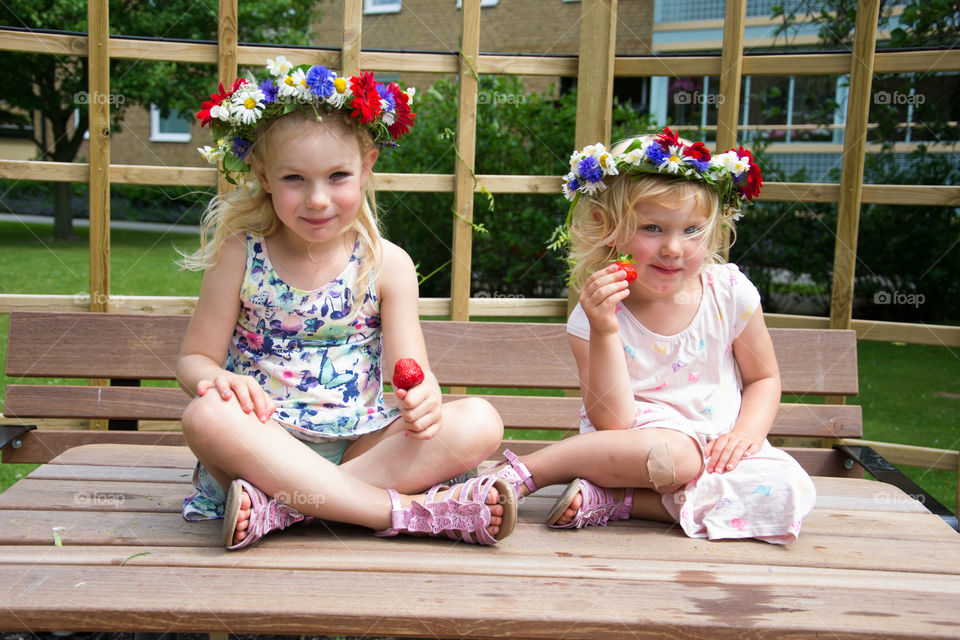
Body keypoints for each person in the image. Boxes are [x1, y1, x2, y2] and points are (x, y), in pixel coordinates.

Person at [177, 56, 515, 549]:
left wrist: (425, 397)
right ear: (263, 175)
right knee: (205, 416)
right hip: (265, 446)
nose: (317, 199)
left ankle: (287, 508)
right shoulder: (238, 255)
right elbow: (193, 360)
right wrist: (217, 378)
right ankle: (408, 513)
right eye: (295, 179)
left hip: (364, 443)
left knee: (481, 421)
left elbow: (411, 370)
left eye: (337, 176)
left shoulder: (387, 264)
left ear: (367, 167)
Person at [480, 128, 816, 544]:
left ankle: (617, 501)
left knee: (789, 490)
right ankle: (530, 471)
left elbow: (763, 379)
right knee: (674, 456)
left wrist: (746, 435)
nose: (674, 248)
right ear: (610, 228)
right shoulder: (598, 313)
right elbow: (613, 420)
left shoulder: (729, 293)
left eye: (692, 230)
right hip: (631, 447)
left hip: (717, 448)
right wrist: (605, 330)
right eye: (652, 227)